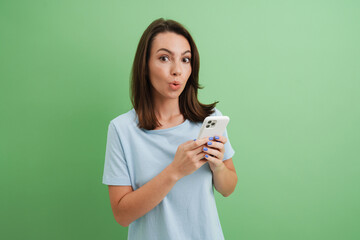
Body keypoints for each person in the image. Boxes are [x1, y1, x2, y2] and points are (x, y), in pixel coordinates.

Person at [102, 18, 238, 240]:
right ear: (144, 65)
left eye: (185, 59)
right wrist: (175, 171)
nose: (177, 70)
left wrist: (218, 168)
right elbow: (122, 214)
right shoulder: (122, 129)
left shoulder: (210, 119)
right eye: (164, 58)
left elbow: (228, 188)